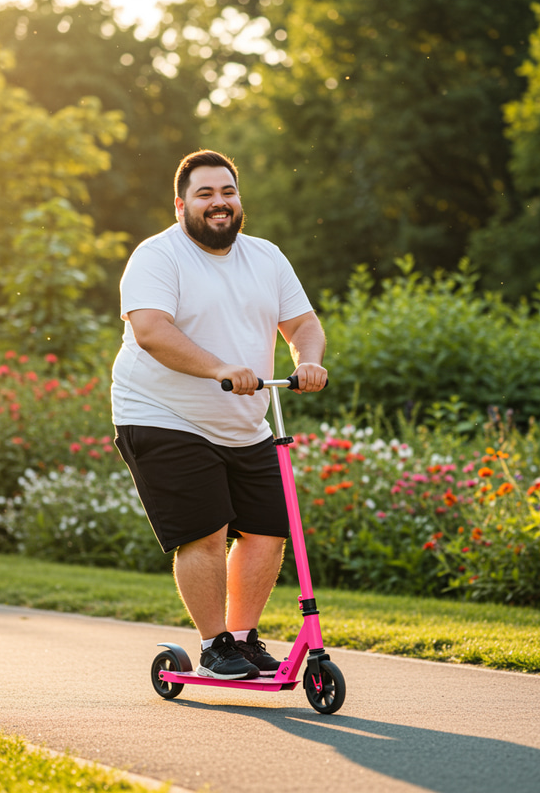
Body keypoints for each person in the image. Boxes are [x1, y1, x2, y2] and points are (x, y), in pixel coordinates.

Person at [111, 149, 327, 680]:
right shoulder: (158, 256)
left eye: (227, 192)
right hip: (162, 412)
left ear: (238, 199)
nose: (219, 203)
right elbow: (152, 331)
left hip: (244, 420)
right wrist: (219, 369)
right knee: (207, 532)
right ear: (182, 203)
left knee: (268, 531)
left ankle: (242, 641)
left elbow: (303, 326)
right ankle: (213, 647)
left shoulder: (266, 257)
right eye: (205, 194)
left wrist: (311, 361)